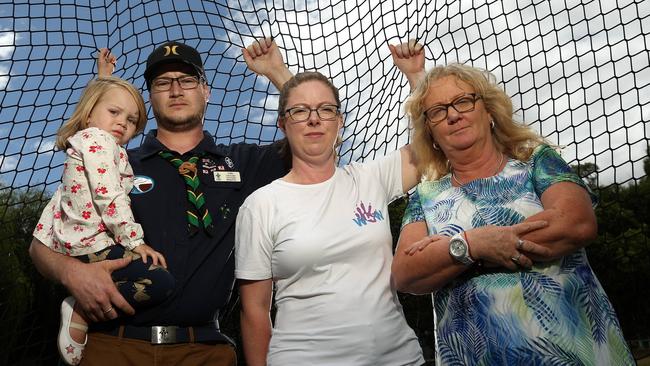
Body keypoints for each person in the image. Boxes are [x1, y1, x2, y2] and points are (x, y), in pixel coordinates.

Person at [29, 39, 291, 365]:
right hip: (113, 344)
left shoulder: (240, 162)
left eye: (187, 80)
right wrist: (71, 274)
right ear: (150, 98)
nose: (176, 90)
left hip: (204, 349)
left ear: (206, 90)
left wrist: (278, 73)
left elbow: (320, 141)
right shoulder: (114, 162)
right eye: (163, 83)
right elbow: (41, 243)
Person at [391, 62, 635, 365]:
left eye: (463, 101)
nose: (453, 115)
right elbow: (405, 272)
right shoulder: (426, 195)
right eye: (438, 111)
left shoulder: (535, 160)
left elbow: (576, 223)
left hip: (576, 351)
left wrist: (451, 253)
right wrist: (472, 244)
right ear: (430, 132)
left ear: (489, 111)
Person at [234, 42, 426, 365]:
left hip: (399, 358)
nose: (314, 120)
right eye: (299, 112)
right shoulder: (261, 205)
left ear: (339, 123)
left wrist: (417, 77)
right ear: (282, 124)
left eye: (326, 110)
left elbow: (428, 151)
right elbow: (254, 312)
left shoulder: (370, 179)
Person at [32, 75, 174, 365]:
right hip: (92, 246)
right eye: (114, 113)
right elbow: (108, 195)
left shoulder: (90, 144)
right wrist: (135, 241)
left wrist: (103, 77)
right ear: (89, 113)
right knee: (160, 282)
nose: (123, 122)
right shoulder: (98, 140)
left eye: (132, 119)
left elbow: (58, 203)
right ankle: (80, 309)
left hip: (74, 244)